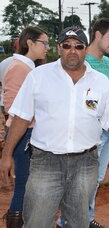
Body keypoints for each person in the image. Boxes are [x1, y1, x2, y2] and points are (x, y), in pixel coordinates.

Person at [0, 26, 109, 228]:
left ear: (85, 49)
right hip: (46, 162)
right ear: (59, 48)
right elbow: (21, 117)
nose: (72, 51)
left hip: (85, 163)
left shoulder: (100, 82)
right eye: (67, 46)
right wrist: (6, 155)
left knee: (77, 222)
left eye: (78, 46)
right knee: (37, 221)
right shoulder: (39, 76)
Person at [56, 18, 109, 228]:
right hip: (86, 132)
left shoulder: (107, 63)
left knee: (94, 180)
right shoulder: (79, 61)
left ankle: (85, 219)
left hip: (106, 131)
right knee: (77, 181)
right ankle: (66, 222)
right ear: (97, 35)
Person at [1, 26, 49, 228]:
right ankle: (15, 220)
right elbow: (13, 108)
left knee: (28, 184)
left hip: (27, 132)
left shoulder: (27, 66)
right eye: (44, 43)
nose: (48, 47)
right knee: (23, 184)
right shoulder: (19, 67)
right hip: (23, 133)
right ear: (30, 43)